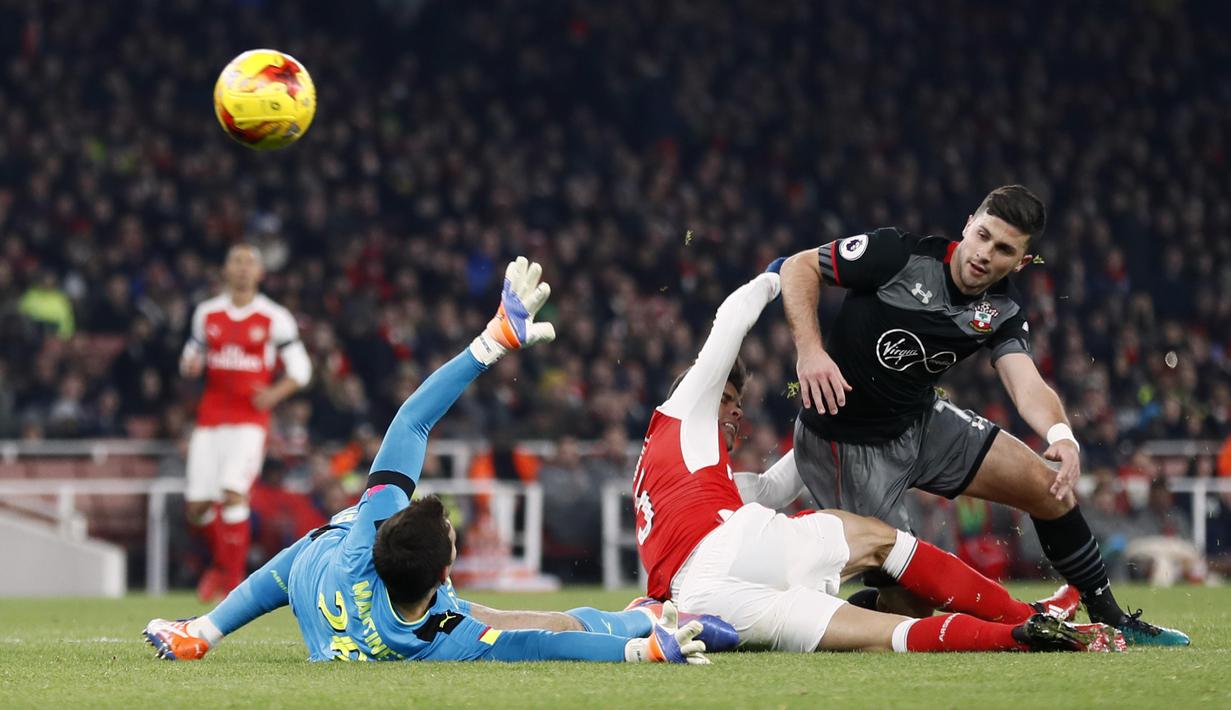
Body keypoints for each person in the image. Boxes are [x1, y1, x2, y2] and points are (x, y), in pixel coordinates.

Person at [145, 258, 725, 665]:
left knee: (299, 557)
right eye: (451, 536)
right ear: (445, 579)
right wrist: (637, 647)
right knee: (548, 626)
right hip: (364, 598)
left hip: (334, 595)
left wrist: (491, 341)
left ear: (383, 530)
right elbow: (544, 648)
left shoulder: (355, 551)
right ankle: (650, 619)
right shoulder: (443, 633)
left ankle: (648, 619)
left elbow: (406, 424)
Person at [631, 262, 1122, 654]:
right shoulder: (684, 406)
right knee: (886, 542)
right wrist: (774, 276)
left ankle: (1020, 637)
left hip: (702, 596)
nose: (736, 413)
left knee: (884, 633)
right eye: (729, 401)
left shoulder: (674, 476)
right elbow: (732, 320)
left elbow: (768, 491)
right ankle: (1025, 617)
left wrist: (828, 426)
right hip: (729, 552)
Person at [778, 184, 1189, 645]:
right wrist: (810, 351)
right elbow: (798, 266)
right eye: (983, 235)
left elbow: (1025, 382)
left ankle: (1111, 618)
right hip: (845, 442)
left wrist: (1062, 434)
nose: (985, 254)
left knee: (1047, 485)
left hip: (919, 421)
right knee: (914, 606)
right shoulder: (897, 254)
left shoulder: (1000, 310)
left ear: (1020, 262)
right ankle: (801, 616)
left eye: (1004, 249)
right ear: (968, 225)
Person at [180, 244, 313, 601]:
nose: (241, 269)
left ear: (260, 273)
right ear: (225, 270)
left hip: (249, 421)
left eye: (248, 263)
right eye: (235, 262)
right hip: (209, 420)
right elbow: (190, 357)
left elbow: (302, 370)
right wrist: (190, 365)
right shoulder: (206, 313)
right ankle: (222, 567)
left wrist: (273, 394)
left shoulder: (274, 317)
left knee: (233, 493)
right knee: (197, 507)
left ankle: (234, 581)